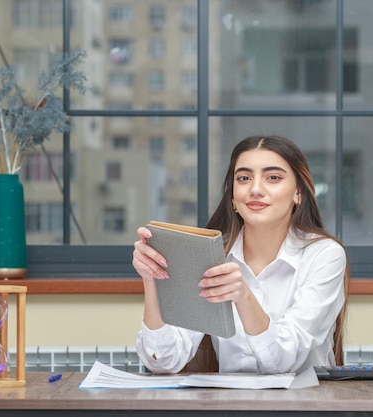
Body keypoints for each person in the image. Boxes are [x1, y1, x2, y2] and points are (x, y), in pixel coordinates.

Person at [132, 135, 350, 374]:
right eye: (244, 178)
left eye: (273, 178)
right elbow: (162, 361)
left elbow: (282, 362)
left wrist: (244, 296)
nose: (255, 189)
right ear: (234, 197)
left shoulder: (324, 255)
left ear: (298, 193)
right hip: (231, 407)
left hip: (305, 406)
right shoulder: (211, 256)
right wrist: (153, 280)